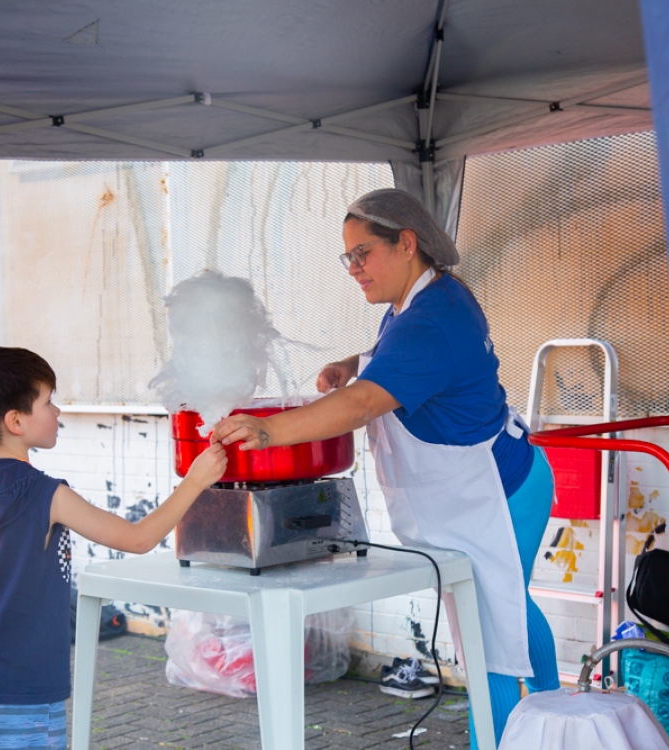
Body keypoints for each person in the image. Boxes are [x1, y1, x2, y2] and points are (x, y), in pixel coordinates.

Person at [212, 188, 560, 747]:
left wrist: (269, 431)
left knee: (489, 639)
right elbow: (393, 361)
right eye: (347, 256)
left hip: (500, 495)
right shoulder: (422, 300)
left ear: (407, 243)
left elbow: (360, 405)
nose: (354, 268)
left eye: (363, 253)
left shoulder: (431, 320)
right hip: (495, 485)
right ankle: (555, 717)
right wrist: (354, 362)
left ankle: (519, 733)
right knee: (508, 606)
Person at [0, 346, 227, 750]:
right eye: (48, 402)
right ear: (15, 421)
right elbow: (138, 538)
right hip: (20, 692)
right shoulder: (45, 494)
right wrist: (195, 481)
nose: (57, 411)